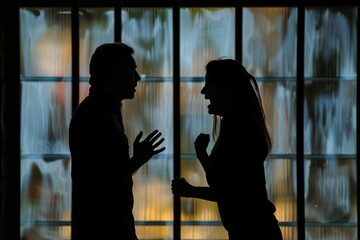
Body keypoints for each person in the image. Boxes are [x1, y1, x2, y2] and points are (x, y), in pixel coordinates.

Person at [171, 59, 283, 240]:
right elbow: (227, 185)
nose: (204, 92)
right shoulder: (241, 123)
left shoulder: (236, 126)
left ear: (226, 88)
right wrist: (202, 156)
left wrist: (190, 190)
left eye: (209, 84)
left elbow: (231, 193)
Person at [69, 42, 166, 240]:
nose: (138, 78)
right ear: (114, 73)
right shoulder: (94, 114)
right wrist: (137, 160)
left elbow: (104, 176)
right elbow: (102, 182)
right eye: (132, 71)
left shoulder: (101, 111)